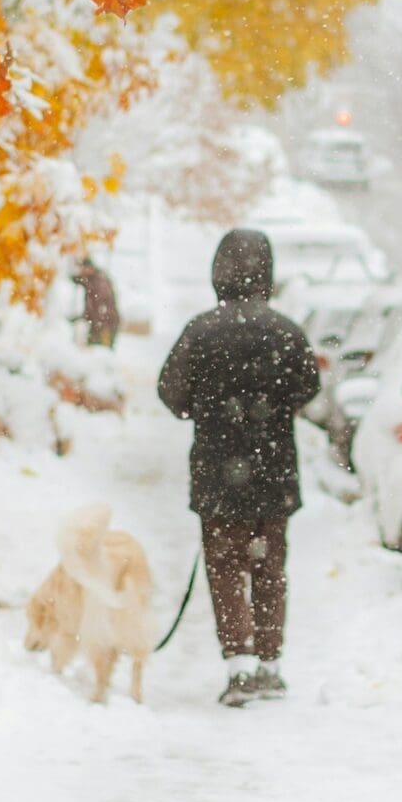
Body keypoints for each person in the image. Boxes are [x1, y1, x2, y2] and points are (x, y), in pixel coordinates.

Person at [158, 231, 320, 707]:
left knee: (225, 569)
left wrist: (209, 410)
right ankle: (271, 665)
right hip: (274, 469)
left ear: (218, 272)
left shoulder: (200, 331)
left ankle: (239, 666)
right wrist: (269, 408)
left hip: (216, 469)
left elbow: (170, 392)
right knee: (270, 567)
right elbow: (307, 389)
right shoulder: (287, 331)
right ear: (267, 272)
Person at [71, 256, 120, 348]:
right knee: (95, 352)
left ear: (89, 268)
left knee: (102, 351)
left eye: (82, 269)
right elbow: (80, 280)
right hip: (98, 324)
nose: (81, 272)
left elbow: (98, 306)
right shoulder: (92, 279)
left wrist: (87, 318)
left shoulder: (99, 282)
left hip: (105, 325)